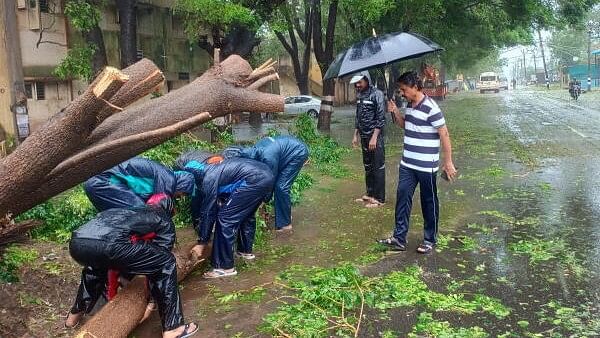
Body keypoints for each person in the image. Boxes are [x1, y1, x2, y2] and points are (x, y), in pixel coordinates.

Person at [64, 196, 198, 338]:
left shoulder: (128, 209)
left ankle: (73, 318)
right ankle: (173, 328)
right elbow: (157, 265)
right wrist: (151, 301)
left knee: (95, 267)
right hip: (110, 244)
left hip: (77, 243)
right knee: (167, 262)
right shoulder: (162, 217)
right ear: (170, 209)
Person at [380, 71, 457, 254]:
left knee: (428, 201)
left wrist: (448, 162)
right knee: (402, 198)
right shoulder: (410, 105)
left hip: (426, 165)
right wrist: (395, 112)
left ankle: (429, 239)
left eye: (404, 89)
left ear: (415, 87)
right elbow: (406, 125)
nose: (402, 93)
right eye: (400, 90)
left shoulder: (431, 107)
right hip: (408, 164)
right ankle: (399, 238)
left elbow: (444, 134)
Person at [175, 152, 274, 278]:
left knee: (225, 218)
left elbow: (208, 212)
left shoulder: (208, 180)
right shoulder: (209, 170)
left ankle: (224, 267)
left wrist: (202, 242)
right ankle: (244, 251)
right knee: (245, 214)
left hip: (254, 179)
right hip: (264, 174)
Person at [223, 135, 309, 233]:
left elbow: (269, 183)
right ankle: (285, 212)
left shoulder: (267, 157)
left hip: (298, 152)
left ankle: (285, 225)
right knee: (275, 185)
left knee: (281, 187)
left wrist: (263, 200)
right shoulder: (254, 151)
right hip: (285, 151)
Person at [84, 157, 196, 211]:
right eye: (183, 193)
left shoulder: (164, 175)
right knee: (142, 213)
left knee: (117, 219)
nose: (180, 197)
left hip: (96, 183)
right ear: (182, 184)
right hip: (104, 182)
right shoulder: (168, 180)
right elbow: (159, 210)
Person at [350, 70, 386, 208]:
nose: (357, 85)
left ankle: (380, 199)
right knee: (368, 167)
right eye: (356, 83)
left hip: (375, 137)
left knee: (378, 166)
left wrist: (374, 137)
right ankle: (370, 194)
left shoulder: (377, 94)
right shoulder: (360, 95)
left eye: (360, 82)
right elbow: (358, 116)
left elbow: (381, 118)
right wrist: (355, 134)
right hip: (364, 136)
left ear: (367, 80)